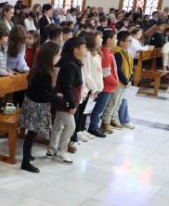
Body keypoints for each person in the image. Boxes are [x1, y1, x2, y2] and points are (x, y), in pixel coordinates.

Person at [20, 41, 66, 173]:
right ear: (50, 56)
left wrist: (53, 93)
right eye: (58, 55)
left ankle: (27, 155)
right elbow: (43, 94)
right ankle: (25, 162)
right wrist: (58, 98)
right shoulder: (44, 73)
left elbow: (44, 90)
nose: (59, 58)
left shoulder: (40, 68)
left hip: (33, 103)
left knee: (32, 133)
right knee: (32, 133)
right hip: (36, 105)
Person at [47, 36, 85, 164]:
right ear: (76, 50)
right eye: (83, 47)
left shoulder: (71, 62)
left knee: (58, 124)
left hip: (64, 100)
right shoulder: (70, 64)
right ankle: (62, 152)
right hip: (65, 101)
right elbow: (67, 87)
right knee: (70, 126)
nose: (85, 50)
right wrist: (71, 105)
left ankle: (51, 149)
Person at [88, 30, 119, 137]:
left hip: (109, 86)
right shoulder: (105, 53)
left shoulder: (108, 52)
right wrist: (115, 82)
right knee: (99, 108)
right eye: (115, 38)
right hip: (106, 87)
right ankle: (93, 126)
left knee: (101, 107)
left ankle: (94, 125)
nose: (116, 40)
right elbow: (106, 74)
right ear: (109, 40)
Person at [103, 31, 134, 129]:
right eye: (129, 41)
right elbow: (118, 70)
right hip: (118, 82)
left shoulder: (128, 53)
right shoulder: (117, 53)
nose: (130, 43)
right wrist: (125, 81)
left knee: (118, 102)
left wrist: (130, 79)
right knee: (113, 102)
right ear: (121, 42)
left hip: (124, 82)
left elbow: (130, 68)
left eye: (131, 41)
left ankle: (113, 119)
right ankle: (106, 121)